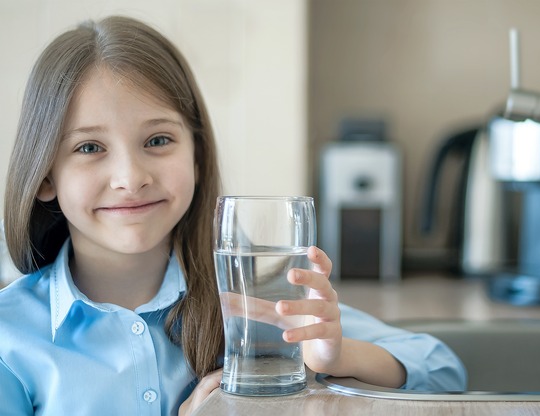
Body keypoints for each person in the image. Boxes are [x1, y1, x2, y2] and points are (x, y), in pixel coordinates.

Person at [0, 15, 466, 416]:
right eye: (89, 147)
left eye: (158, 141)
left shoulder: (257, 303)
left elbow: (442, 369)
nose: (130, 177)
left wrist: (337, 355)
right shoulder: (10, 336)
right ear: (45, 175)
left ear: (198, 156)